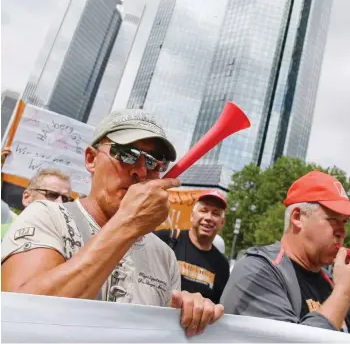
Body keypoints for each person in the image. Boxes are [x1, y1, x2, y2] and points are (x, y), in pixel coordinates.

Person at [1, 109, 224, 338]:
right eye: (126, 153)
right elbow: (20, 320)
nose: (140, 170)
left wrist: (188, 314)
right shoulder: (47, 216)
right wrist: (128, 224)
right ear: (90, 159)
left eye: (154, 161)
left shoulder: (164, 256)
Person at [221, 170, 350, 334]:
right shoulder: (257, 271)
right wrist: (344, 290)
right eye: (333, 220)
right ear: (298, 217)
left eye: (344, 222)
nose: (342, 231)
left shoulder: (329, 283)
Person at [155, 190, 230, 304]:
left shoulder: (222, 266)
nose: (208, 217)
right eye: (203, 210)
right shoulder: (165, 239)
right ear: (192, 215)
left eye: (215, 213)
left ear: (222, 223)